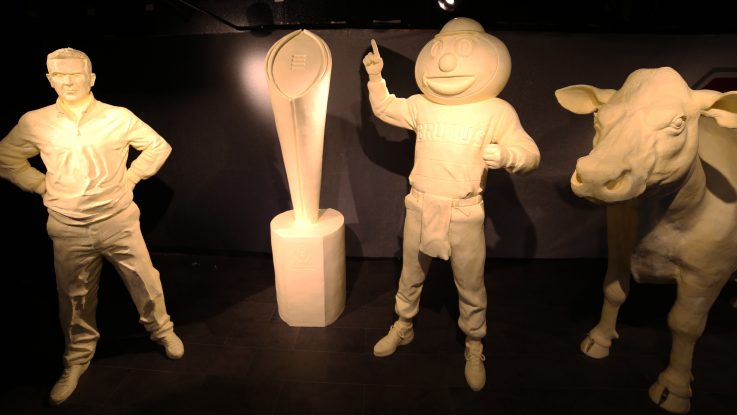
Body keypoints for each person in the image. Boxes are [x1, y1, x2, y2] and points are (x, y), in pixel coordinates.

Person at [363, 18, 540, 391]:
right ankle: (404, 324)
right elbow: (386, 108)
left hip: (464, 210)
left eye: (461, 51)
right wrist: (376, 77)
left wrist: (508, 154)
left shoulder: (495, 111)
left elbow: (530, 153)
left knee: (470, 283)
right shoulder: (422, 105)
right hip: (421, 204)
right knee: (411, 273)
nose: (446, 63)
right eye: (441, 51)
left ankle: (475, 344)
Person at [0, 47, 183, 405]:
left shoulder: (118, 117)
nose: (68, 81)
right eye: (60, 75)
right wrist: (40, 185)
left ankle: (162, 331)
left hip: (118, 220)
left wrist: (131, 177)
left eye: (75, 74)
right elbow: (6, 156)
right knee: (74, 298)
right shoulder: (35, 121)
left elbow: (157, 147)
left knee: (146, 281)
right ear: (49, 79)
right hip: (68, 226)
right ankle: (77, 358)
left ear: (91, 78)